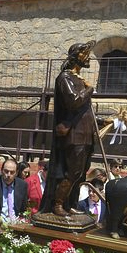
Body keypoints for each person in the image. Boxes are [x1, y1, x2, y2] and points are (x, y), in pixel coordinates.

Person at [39, 40, 98, 217]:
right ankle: (57, 204)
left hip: (86, 133)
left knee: (80, 174)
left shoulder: (78, 79)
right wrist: (90, 90)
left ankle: (69, 203)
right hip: (74, 135)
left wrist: (104, 122)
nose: (88, 58)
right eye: (84, 54)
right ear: (75, 57)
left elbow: (84, 112)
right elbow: (73, 102)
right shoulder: (65, 78)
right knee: (72, 172)